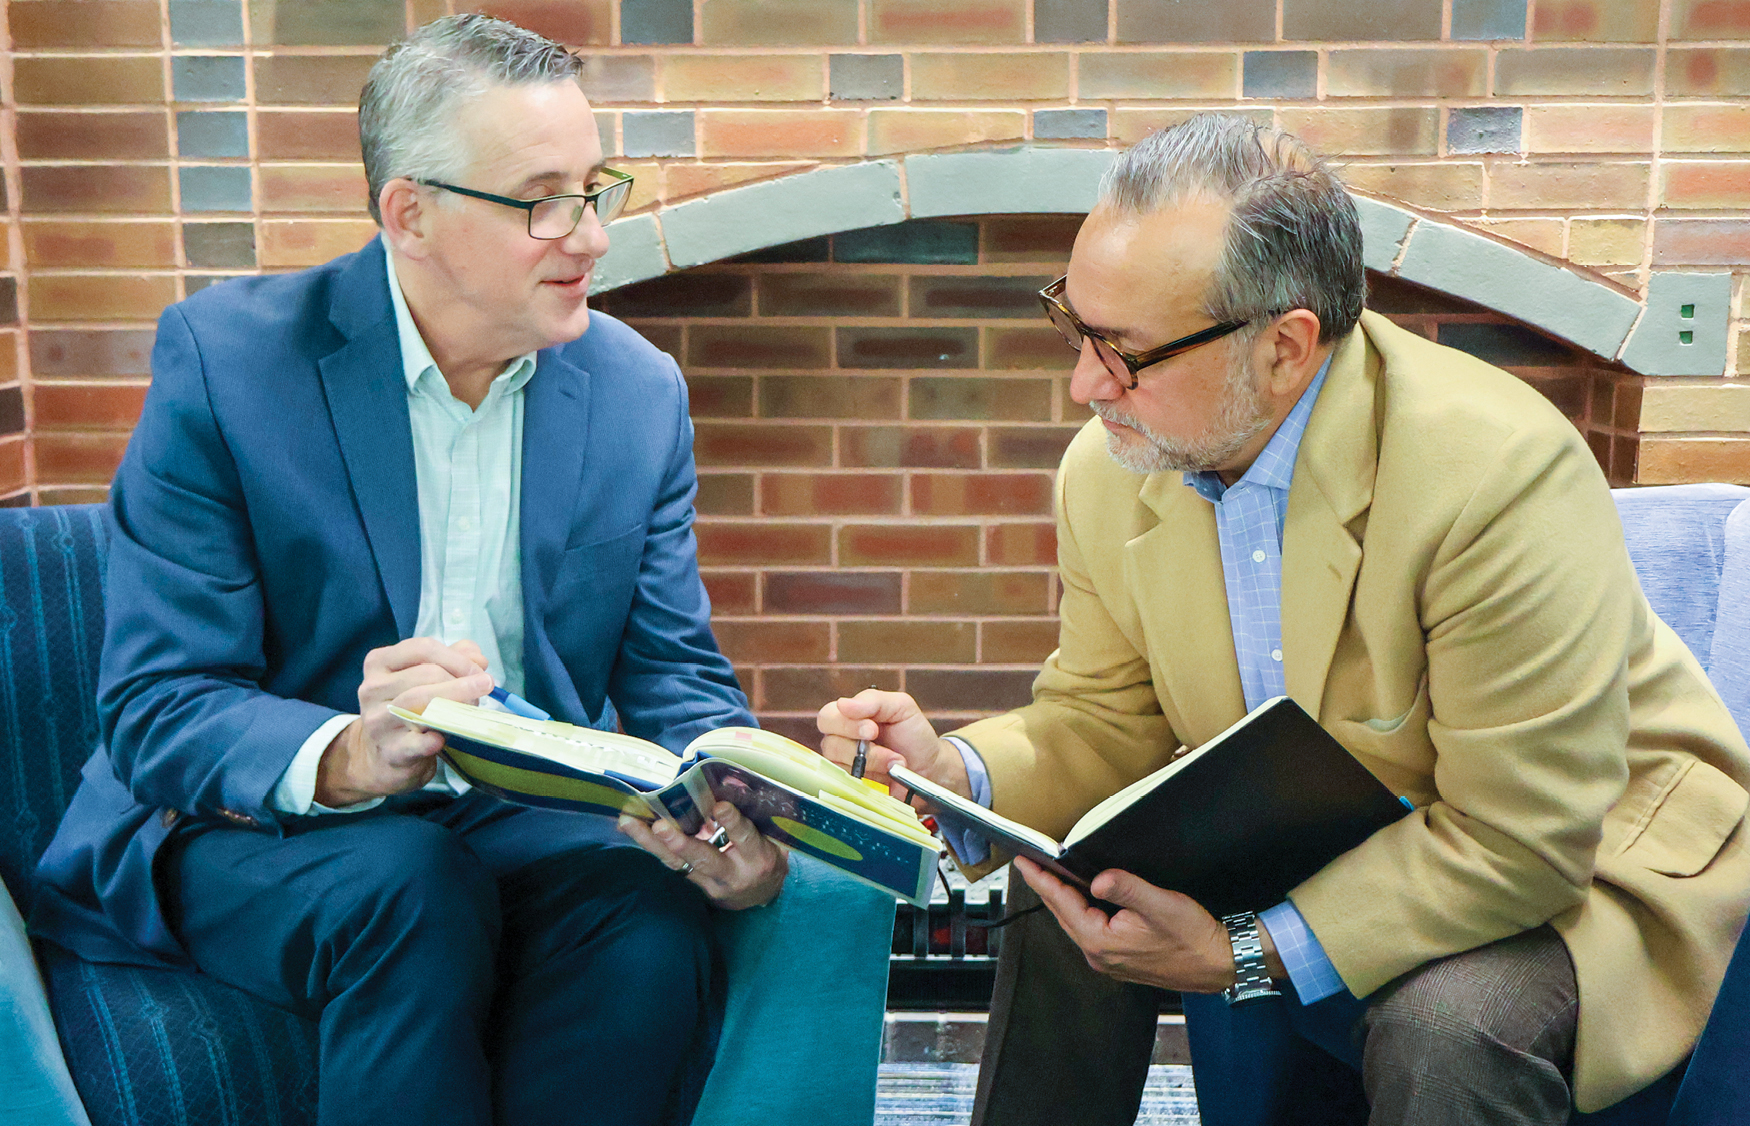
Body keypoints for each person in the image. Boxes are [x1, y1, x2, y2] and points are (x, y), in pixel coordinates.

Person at [32, 15, 891, 1126]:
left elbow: (675, 675)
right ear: (411, 213)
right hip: (242, 827)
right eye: (543, 199)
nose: (587, 236)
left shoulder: (637, 393)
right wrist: (347, 751)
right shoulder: (229, 362)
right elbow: (157, 707)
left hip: (517, 810)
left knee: (645, 913)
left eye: (596, 188)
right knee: (407, 886)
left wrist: (730, 814)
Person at [817, 113, 1750, 1126]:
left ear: (1284, 348)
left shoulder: (1495, 472)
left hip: (1590, 853)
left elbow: (1521, 839)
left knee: (1445, 1024)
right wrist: (954, 775)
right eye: (1073, 326)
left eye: (1123, 353)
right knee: (1065, 898)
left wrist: (1244, 951)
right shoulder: (1114, 466)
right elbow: (1102, 717)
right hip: (1335, 826)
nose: (1084, 385)